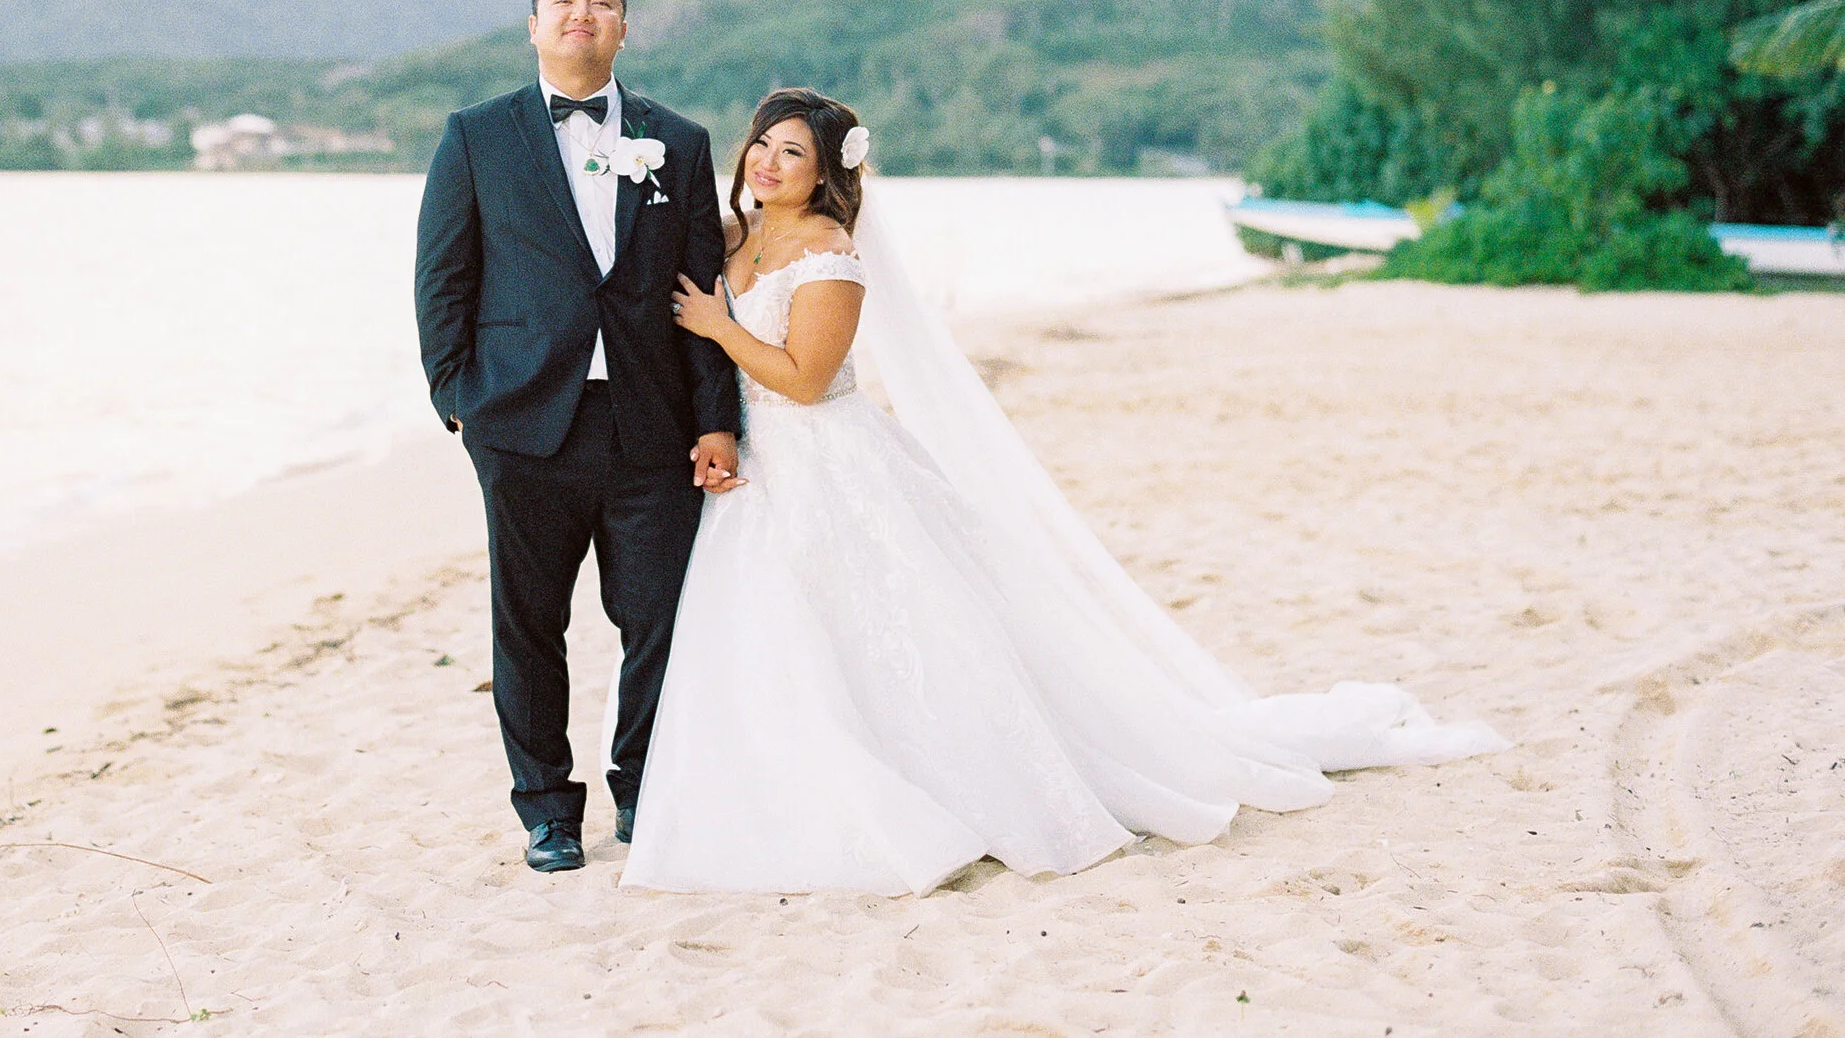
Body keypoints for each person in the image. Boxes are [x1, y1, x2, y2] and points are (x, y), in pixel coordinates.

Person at [625, 87, 1505, 895]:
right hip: (755, 473)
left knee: (890, 636)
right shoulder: (737, 239)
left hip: (831, 463)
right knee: (771, 638)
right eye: (761, 147)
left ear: (827, 175)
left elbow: (807, 380)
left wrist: (713, 323)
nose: (767, 164)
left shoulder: (831, 254)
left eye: (791, 153)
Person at [413, 0, 743, 874]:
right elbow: (443, 277)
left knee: (658, 616)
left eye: (602, 1)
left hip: (652, 422)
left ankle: (640, 785)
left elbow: (700, 285)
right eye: (563, 0)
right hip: (521, 425)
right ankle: (548, 812)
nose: (581, 14)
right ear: (533, 23)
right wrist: (457, 399)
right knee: (528, 625)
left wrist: (716, 418)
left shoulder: (676, 140)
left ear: (625, 26)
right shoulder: (475, 136)